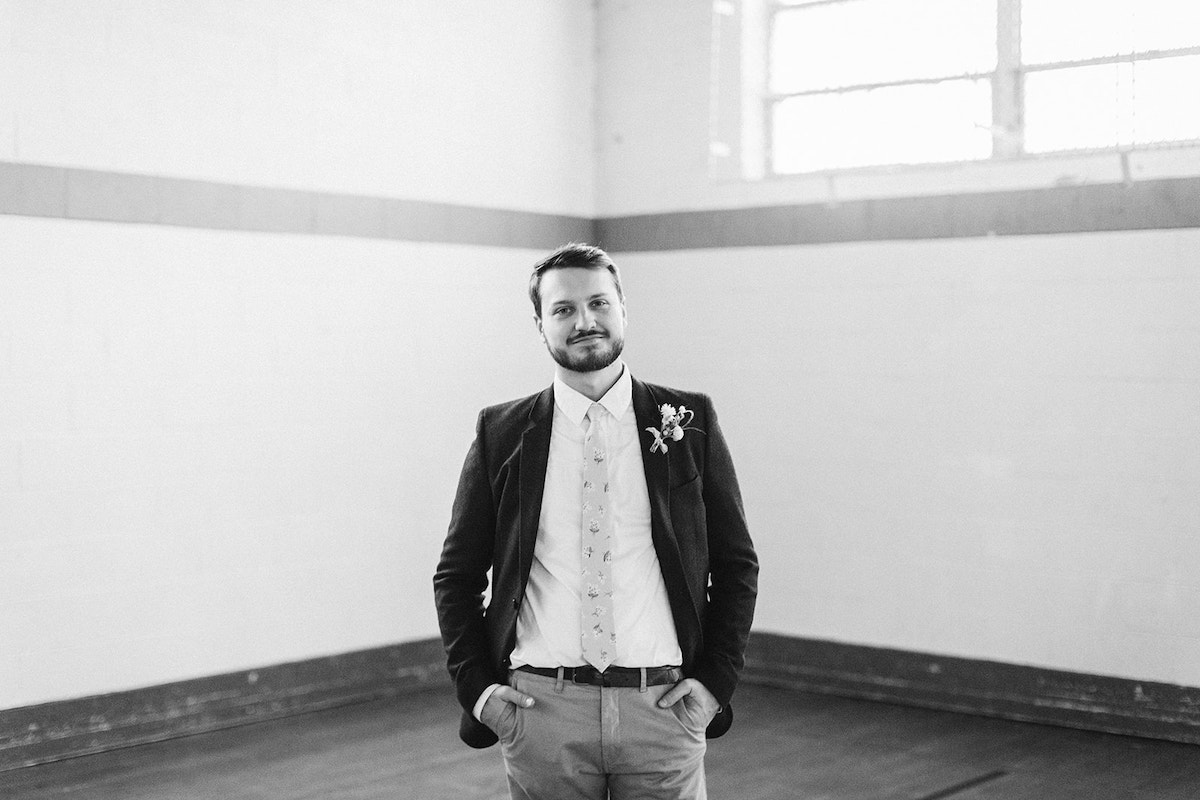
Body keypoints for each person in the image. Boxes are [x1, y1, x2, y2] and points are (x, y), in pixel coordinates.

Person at [433, 243, 758, 800]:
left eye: (598, 303)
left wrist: (714, 686)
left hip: (664, 708)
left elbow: (736, 565)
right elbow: (456, 576)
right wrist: (480, 692)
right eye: (563, 310)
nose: (584, 321)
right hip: (542, 713)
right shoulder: (502, 432)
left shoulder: (689, 420)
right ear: (540, 325)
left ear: (623, 308)